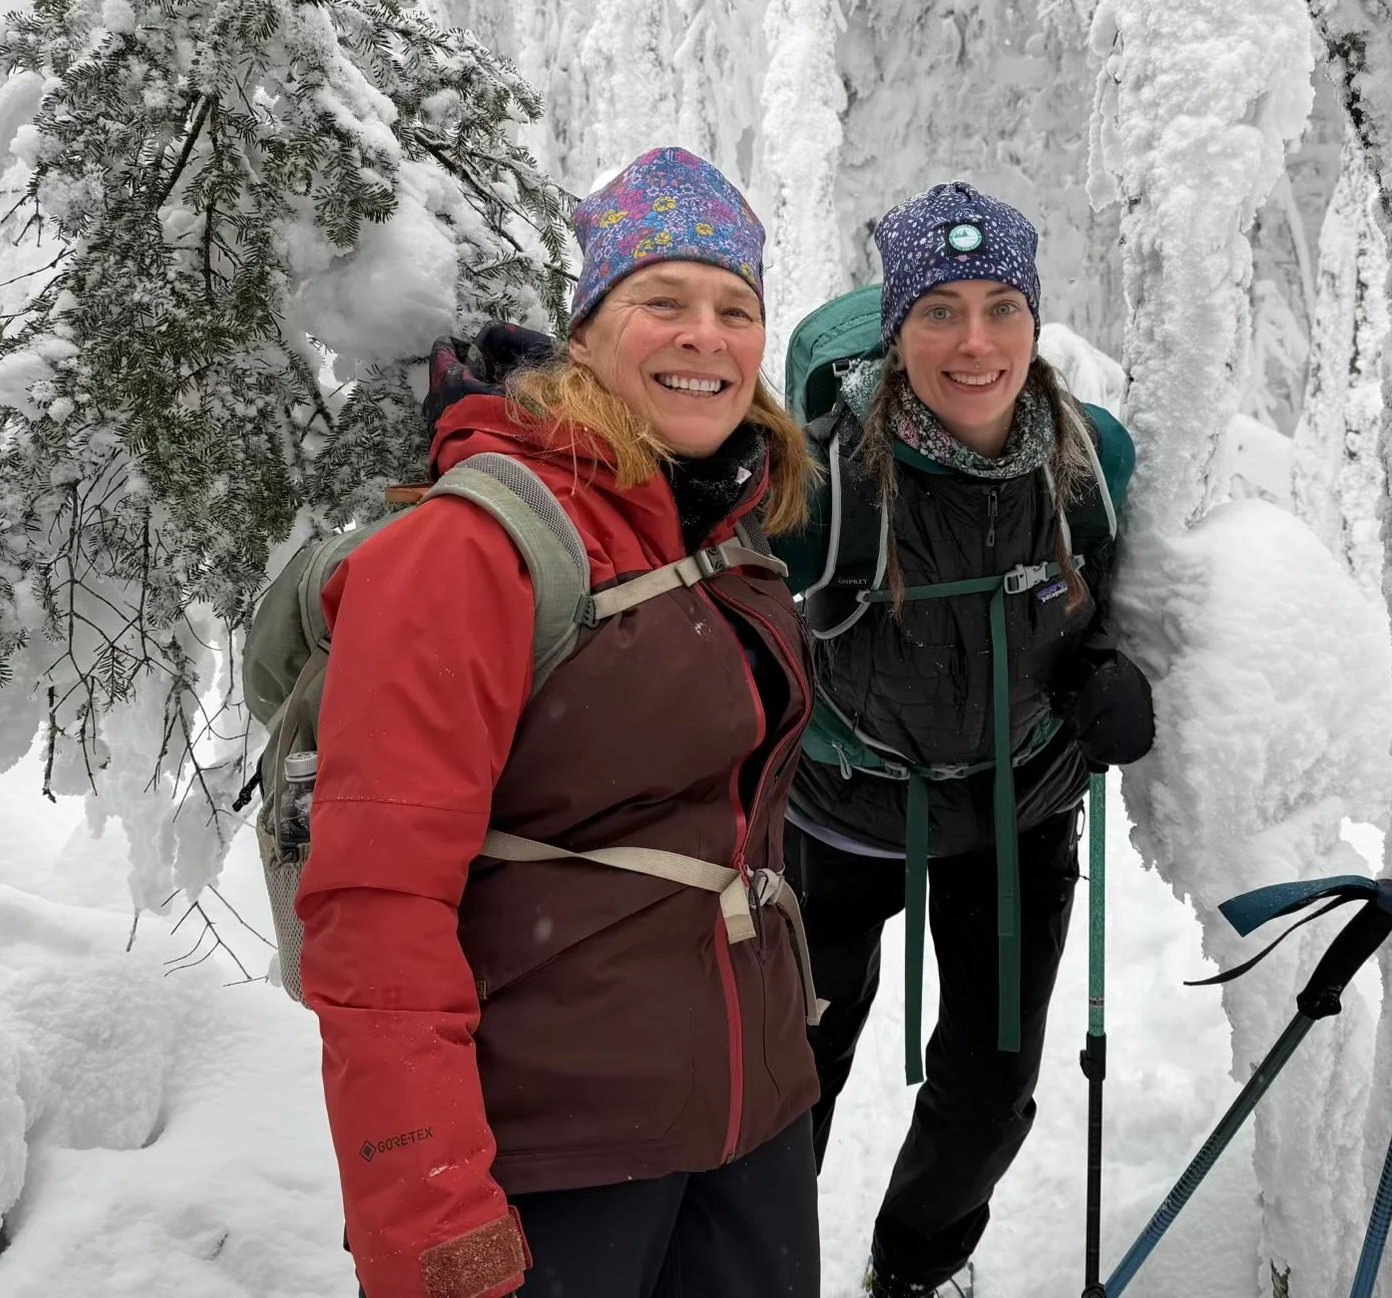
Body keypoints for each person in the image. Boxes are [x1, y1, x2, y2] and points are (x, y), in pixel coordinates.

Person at [296, 147, 822, 1298]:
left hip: (753, 1124)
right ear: (584, 335)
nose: (705, 335)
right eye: (663, 301)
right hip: (563, 1155)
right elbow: (377, 911)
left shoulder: (721, 520)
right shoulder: (470, 550)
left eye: (734, 309)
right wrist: (432, 1214)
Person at [775, 184, 1157, 1298]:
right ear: (897, 329)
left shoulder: (1091, 461)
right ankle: (758, 1264)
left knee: (990, 1091)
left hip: (1014, 806)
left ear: (1035, 320)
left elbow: (1098, 599)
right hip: (840, 810)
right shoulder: (826, 481)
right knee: (788, 1078)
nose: (975, 342)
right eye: (938, 310)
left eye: (1001, 307)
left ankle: (916, 1269)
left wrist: (1099, 674)